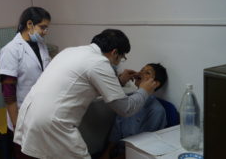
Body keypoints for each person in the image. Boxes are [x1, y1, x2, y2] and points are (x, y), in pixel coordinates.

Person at [13, 29, 159, 159]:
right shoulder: (99, 62)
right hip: (53, 122)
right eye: (121, 58)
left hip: (30, 114)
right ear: (114, 53)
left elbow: (82, 84)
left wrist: (119, 81)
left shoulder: (71, 51)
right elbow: (125, 108)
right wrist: (144, 91)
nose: (119, 62)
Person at [0, 7, 51, 158]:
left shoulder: (42, 46)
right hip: (22, 115)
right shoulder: (11, 50)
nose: (45, 32)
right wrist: (16, 124)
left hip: (41, 114)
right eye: (43, 27)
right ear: (29, 24)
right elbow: (8, 91)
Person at [100, 63, 168, 159]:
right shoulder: (128, 100)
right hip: (117, 151)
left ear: (155, 84)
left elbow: (143, 145)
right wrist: (106, 153)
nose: (140, 72)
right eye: (141, 70)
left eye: (147, 72)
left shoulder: (157, 111)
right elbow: (116, 130)